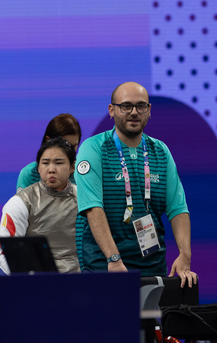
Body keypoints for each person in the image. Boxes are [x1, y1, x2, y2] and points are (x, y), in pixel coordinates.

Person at [74, 82, 197, 287]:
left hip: (152, 264)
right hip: (105, 264)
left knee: (151, 320)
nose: (133, 112)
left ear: (149, 111)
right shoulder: (93, 148)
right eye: (126, 106)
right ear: (112, 110)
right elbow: (93, 208)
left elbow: (177, 208)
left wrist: (185, 254)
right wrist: (113, 259)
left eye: (140, 106)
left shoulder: (160, 151)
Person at [1, 137, 79, 274]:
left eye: (59, 163)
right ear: (38, 167)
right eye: (45, 163)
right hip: (37, 281)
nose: (51, 170)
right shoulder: (20, 202)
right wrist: (29, 279)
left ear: (72, 166)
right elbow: (5, 250)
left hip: (82, 279)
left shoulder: (84, 198)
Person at [16, 113, 82, 193]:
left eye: (74, 146)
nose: (70, 151)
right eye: (66, 145)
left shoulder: (83, 172)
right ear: (48, 140)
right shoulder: (29, 174)